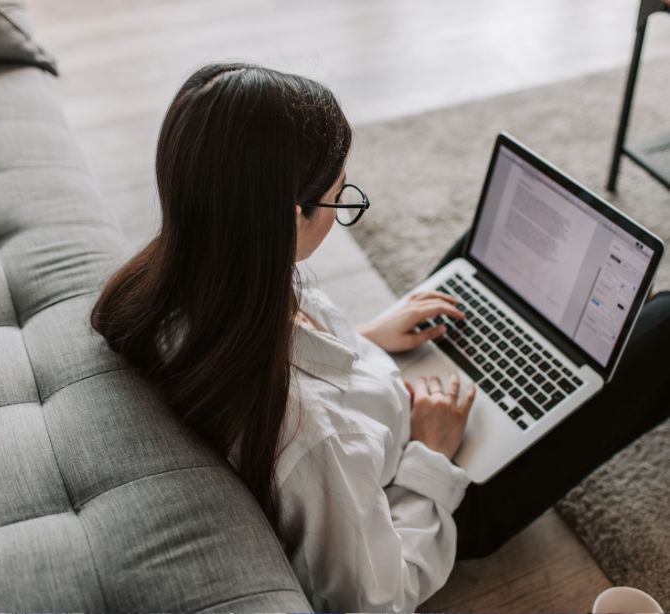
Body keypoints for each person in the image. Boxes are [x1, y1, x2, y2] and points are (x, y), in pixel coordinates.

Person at [90, 63, 670, 612]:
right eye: (339, 197)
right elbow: (379, 598)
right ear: (292, 217)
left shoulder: (191, 279)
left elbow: (289, 363)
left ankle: (589, 316)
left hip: (384, 412)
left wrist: (364, 338)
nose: (344, 204)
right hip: (432, 494)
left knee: (482, 266)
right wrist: (432, 453)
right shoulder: (314, 439)